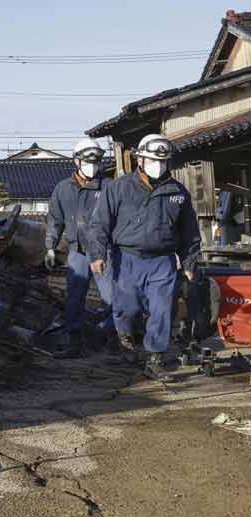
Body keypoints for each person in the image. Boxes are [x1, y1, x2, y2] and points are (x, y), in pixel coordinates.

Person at [89, 134, 201, 381]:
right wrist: (97, 255)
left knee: (163, 309)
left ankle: (155, 359)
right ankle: (126, 339)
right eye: (152, 160)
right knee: (127, 308)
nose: (158, 165)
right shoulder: (118, 188)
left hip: (162, 260)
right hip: (126, 258)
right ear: (140, 158)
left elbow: (190, 232)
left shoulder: (178, 192)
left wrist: (190, 262)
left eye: (163, 161)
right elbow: (99, 225)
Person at [45, 138, 114, 358]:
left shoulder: (110, 187)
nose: (92, 165)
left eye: (96, 161)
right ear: (76, 161)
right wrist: (50, 247)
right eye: (87, 161)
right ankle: (74, 343)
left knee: (112, 297)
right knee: (74, 298)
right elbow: (55, 220)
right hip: (78, 251)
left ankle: (115, 342)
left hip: (104, 251)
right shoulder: (63, 189)